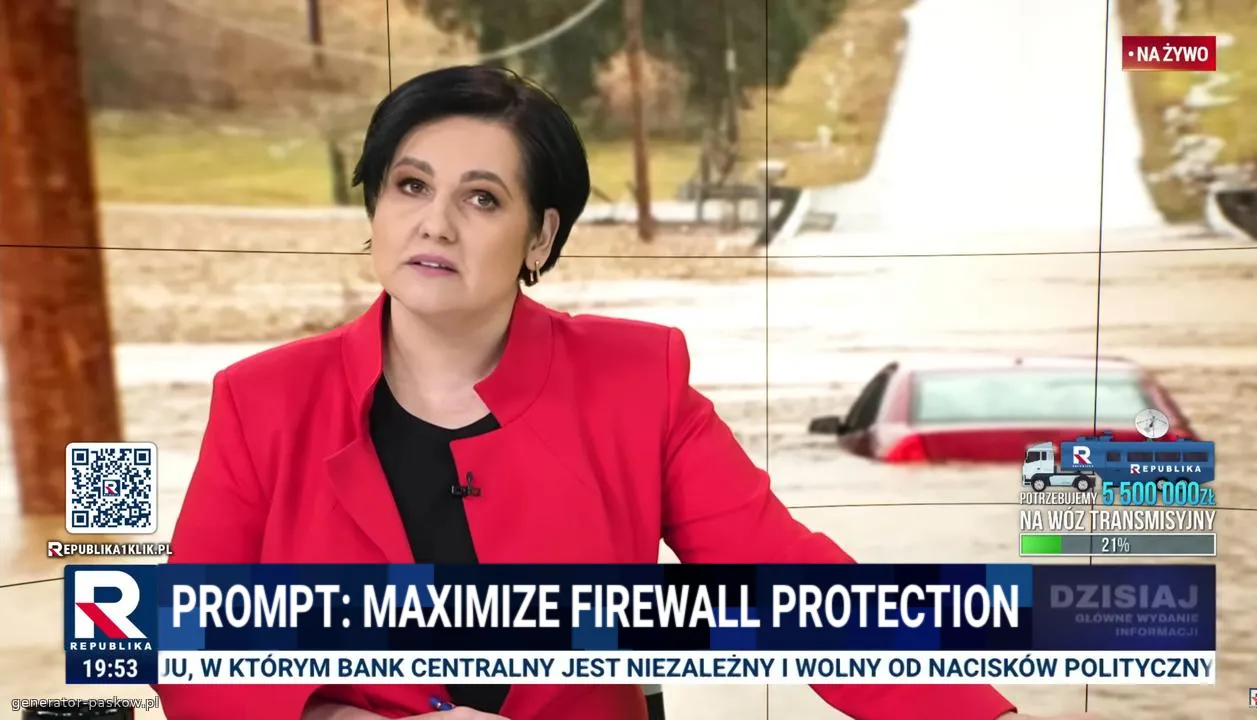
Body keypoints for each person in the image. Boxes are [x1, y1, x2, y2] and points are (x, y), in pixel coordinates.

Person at [151, 65, 1101, 720]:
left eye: (481, 198)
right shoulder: (262, 400)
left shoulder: (636, 381)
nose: (433, 222)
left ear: (539, 236)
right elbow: (189, 645)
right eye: (409, 185)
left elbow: (794, 585)